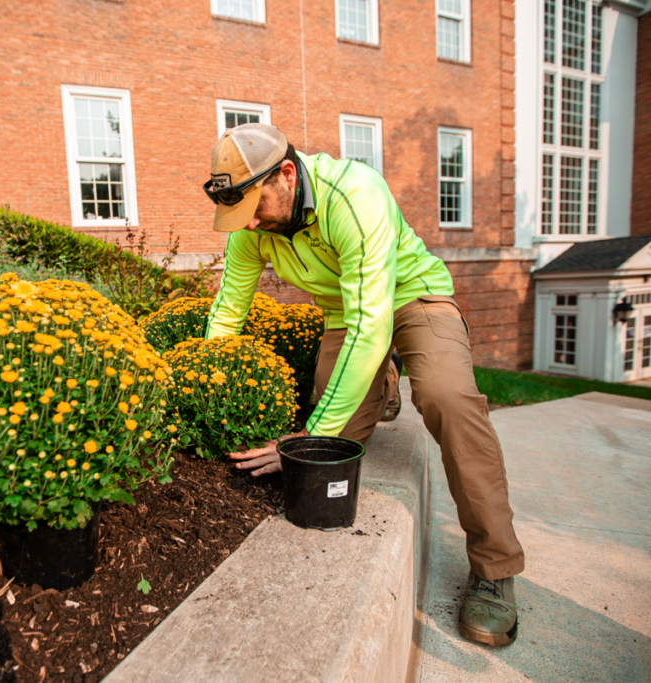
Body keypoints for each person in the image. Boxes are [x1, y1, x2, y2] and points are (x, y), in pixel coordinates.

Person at [201, 123, 524, 647]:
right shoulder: (251, 229)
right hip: (347, 315)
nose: (249, 222)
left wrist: (301, 442)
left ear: (286, 174)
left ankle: (494, 566)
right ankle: (380, 383)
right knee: (338, 432)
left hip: (414, 297)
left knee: (446, 399)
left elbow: (373, 325)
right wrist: (199, 383)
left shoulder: (356, 194)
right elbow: (226, 314)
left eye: (254, 205)